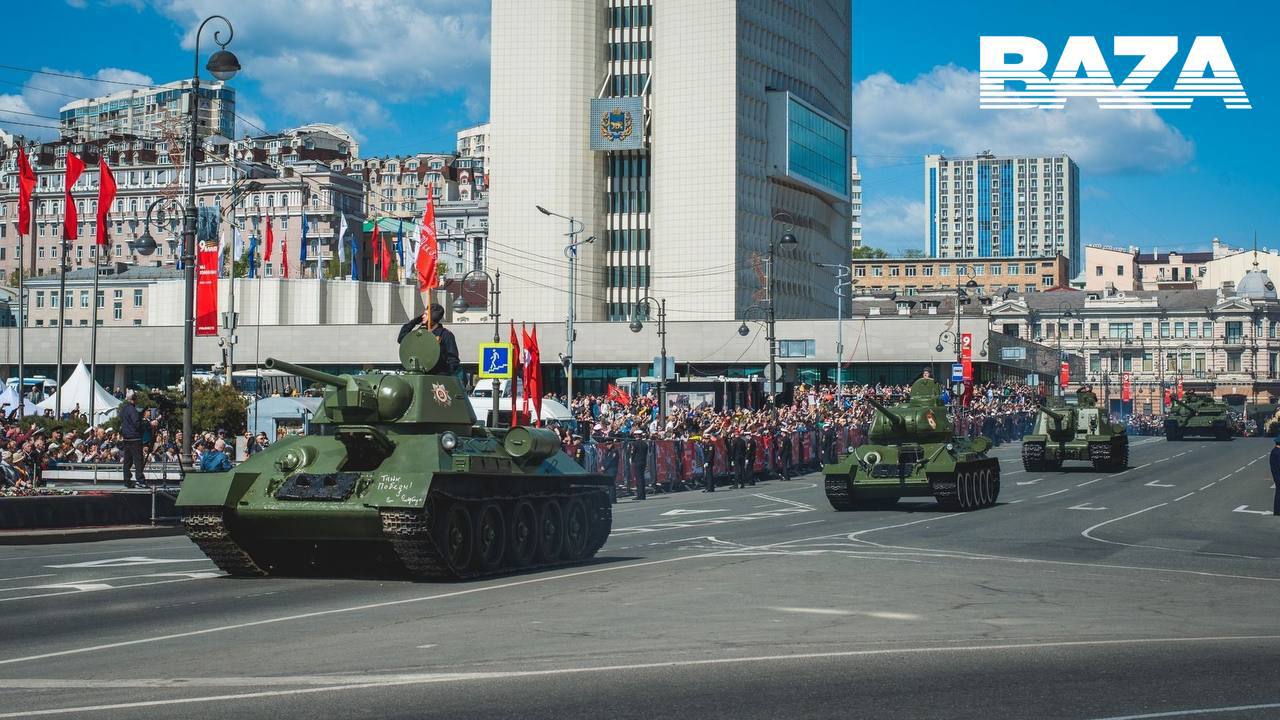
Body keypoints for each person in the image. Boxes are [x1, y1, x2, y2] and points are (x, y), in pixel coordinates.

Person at [397, 304, 460, 376]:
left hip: (436, 376)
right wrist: (414, 322)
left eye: (426, 314)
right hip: (419, 374)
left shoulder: (445, 334)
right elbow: (401, 339)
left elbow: (453, 360)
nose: (422, 316)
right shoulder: (420, 333)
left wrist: (445, 374)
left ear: (433, 316)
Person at [119, 390, 144, 488]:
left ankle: (127, 480)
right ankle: (140, 480)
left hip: (126, 438)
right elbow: (137, 424)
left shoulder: (124, 409)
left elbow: (122, 419)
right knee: (138, 460)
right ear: (133, 398)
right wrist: (146, 424)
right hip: (135, 438)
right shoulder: (132, 410)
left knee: (127, 461)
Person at [1270, 437, 1280, 516]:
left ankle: (1277, 510)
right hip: (1278, 475)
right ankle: (1277, 510)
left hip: (1276, 475)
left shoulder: (1274, 451)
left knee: (1278, 492)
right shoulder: (1277, 452)